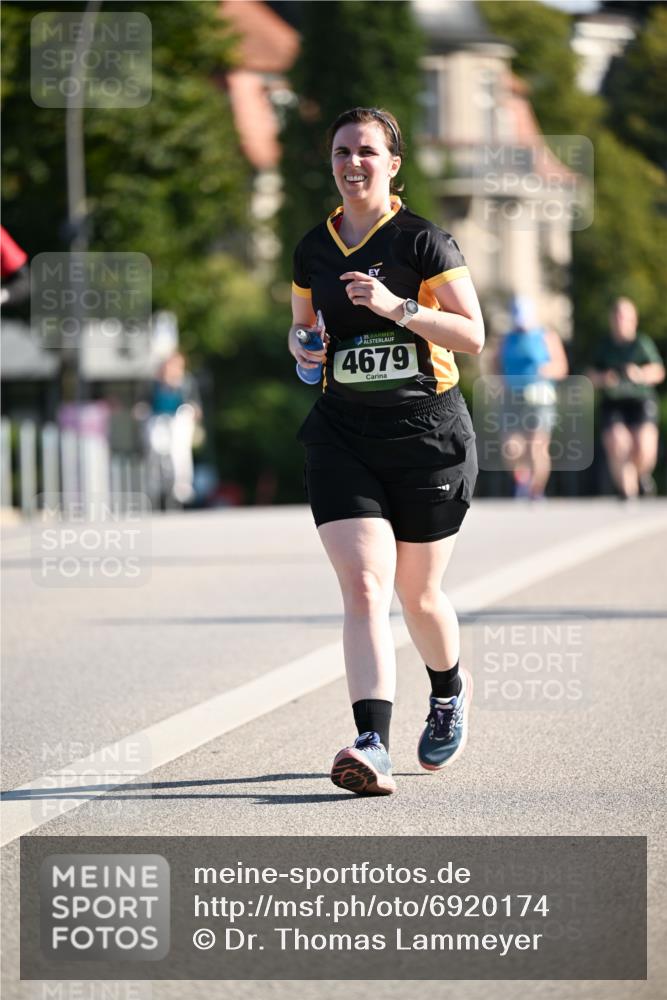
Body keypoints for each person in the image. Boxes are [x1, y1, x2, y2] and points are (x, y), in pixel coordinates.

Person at [288, 107, 484, 796]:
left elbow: (471, 335)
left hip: (427, 437)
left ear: (392, 163)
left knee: (417, 593)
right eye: (342, 151)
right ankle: (371, 743)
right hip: (343, 435)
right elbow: (303, 339)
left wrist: (396, 307)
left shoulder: (424, 242)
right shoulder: (313, 248)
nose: (352, 163)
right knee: (365, 585)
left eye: (366, 151)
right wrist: (304, 350)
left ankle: (448, 690)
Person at [587, 297, 664, 499]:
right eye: (618, 317)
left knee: (644, 449)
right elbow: (589, 375)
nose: (621, 321)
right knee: (618, 444)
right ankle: (628, 493)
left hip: (639, 401)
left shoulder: (641, 343)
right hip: (614, 403)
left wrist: (639, 374)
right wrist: (605, 378)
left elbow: (658, 371)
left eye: (625, 317)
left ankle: (641, 475)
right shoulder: (604, 346)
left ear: (634, 320)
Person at [497, 296, 569, 500]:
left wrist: (547, 370)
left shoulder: (546, 336)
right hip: (513, 397)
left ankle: (536, 491)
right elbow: (496, 365)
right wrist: (500, 381)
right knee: (511, 448)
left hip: (540, 397)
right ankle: (523, 480)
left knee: (536, 445)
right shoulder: (507, 339)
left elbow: (561, 367)